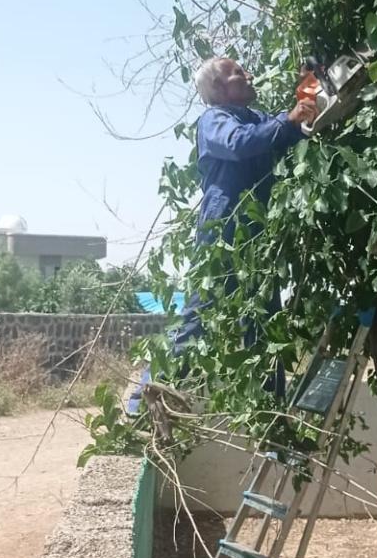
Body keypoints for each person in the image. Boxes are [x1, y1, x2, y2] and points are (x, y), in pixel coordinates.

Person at [128, 57, 317, 414]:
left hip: (258, 240)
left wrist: (310, 85)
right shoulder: (216, 121)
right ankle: (142, 401)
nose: (248, 74)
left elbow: (288, 129)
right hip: (224, 235)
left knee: (265, 324)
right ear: (218, 90)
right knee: (199, 316)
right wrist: (289, 118)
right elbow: (241, 143)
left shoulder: (255, 118)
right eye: (236, 73)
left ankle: (270, 414)